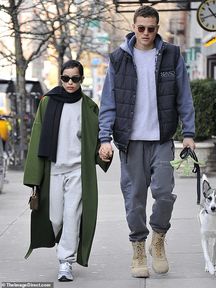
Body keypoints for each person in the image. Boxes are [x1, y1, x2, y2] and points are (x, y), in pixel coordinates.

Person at [98, 6, 195, 278]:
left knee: (165, 193)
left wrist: (189, 133)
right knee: (135, 199)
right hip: (130, 142)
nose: (146, 33)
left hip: (162, 139)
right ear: (134, 26)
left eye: (151, 28)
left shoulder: (171, 55)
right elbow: (108, 102)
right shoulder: (118, 59)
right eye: (141, 28)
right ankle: (138, 248)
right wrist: (104, 138)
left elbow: (184, 97)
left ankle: (159, 238)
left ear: (157, 27)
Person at [23, 60, 111, 282]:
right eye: (66, 78)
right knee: (54, 219)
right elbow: (36, 138)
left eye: (75, 78)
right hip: (53, 170)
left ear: (82, 79)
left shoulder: (89, 107)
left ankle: (65, 262)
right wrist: (34, 175)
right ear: (60, 78)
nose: (70, 83)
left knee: (72, 216)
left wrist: (103, 152)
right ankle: (64, 244)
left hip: (78, 172)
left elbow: (97, 138)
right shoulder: (47, 102)